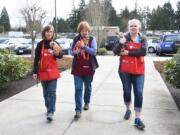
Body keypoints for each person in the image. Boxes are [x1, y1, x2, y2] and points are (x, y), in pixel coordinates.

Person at [113, 19, 147, 130]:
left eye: (135, 26)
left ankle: (137, 118)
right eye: (131, 26)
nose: (133, 27)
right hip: (125, 70)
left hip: (138, 70)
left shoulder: (142, 38)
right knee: (127, 91)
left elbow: (143, 52)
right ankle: (128, 109)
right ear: (128, 27)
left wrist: (129, 53)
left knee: (139, 92)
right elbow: (115, 51)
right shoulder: (124, 37)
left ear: (139, 27)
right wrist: (121, 43)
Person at [32, 25, 63, 122]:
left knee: (52, 92)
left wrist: (56, 51)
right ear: (44, 32)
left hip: (53, 72)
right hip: (43, 72)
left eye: (51, 32)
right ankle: (48, 107)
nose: (49, 33)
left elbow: (60, 56)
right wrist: (34, 72)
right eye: (47, 31)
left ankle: (51, 112)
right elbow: (36, 59)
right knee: (45, 93)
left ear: (53, 33)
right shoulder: (40, 45)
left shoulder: (55, 43)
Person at [70, 21, 99, 120]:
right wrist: (75, 52)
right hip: (77, 68)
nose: (84, 32)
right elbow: (71, 51)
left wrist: (84, 47)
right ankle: (78, 110)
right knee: (78, 89)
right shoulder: (75, 39)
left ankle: (86, 102)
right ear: (80, 31)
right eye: (82, 30)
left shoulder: (92, 39)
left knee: (88, 87)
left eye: (86, 30)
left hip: (89, 67)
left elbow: (94, 52)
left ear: (88, 31)